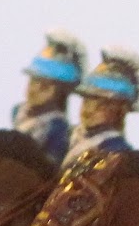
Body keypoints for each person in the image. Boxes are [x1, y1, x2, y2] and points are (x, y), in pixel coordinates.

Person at [63, 45, 139, 164]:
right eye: (87, 100)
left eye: (102, 105)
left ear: (120, 109)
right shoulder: (70, 139)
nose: (90, 109)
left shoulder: (119, 153)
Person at [11, 29, 85, 165]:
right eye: (33, 81)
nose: (34, 89)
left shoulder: (57, 128)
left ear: (60, 92)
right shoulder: (18, 112)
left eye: (44, 86)